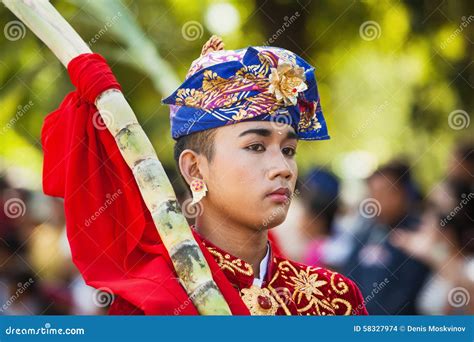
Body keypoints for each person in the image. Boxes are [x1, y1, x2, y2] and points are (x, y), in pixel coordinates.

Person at [107, 36, 367, 315]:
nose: (283, 168)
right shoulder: (152, 303)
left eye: (289, 150)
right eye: (256, 146)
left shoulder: (334, 299)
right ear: (194, 168)